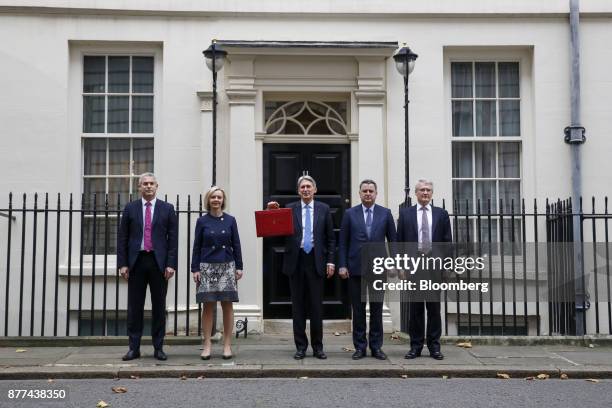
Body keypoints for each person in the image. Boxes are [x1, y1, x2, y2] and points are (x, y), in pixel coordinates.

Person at [267, 175, 335, 359]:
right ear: (298, 191)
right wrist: (272, 213)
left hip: (316, 261)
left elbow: (330, 238)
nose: (305, 189)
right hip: (295, 262)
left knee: (316, 307)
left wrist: (331, 260)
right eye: (302, 187)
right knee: (297, 307)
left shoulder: (324, 209)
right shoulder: (289, 208)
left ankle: (318, 347)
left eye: (308, 186)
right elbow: (273, 233)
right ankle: (301, 347)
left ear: (315, 190)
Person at [117, 172, 178, 361]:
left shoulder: (167, 209)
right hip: (136, 262)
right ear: (139, 187)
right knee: (135, 307)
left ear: (157, 186)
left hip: (158, 263)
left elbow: (173, 240)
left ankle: (158, 348)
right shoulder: (130, 208)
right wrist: (123, 264)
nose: (149, 186)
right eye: (145, 184)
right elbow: (122, 238)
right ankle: (133, 348)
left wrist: (170, 264)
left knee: (159, 307)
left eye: (152, 183)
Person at [338, 179, 396, 360]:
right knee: (358, 309)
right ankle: (360, 347)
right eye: (365, 191)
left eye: (371, 191)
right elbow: (343, 241)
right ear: (359, 193)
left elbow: (393, 242)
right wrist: (342, 264)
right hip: (355, 268)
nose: (368, 193)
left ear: (376, 193)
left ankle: (376, 347)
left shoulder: (385, 214)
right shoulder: (349, 213)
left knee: (377, 309)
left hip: (379, 269)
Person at [397, 179, 452, 360]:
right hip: (414, 266)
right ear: (416, 193)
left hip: (434, 267)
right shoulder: (405, 214)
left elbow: (447, 242)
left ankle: (434, 347)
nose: (425, 193)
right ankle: (415, 346)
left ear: (432, 193)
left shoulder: (441, 214)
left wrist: (446, 267)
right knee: (416, 309)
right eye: (422, 190)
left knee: (434, 309)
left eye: (428, 190)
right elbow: (399, 243)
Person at [191, 186, 243, 360]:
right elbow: (196, 247)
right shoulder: (202, 221)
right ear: (208, 199)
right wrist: (195, 268)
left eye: (219, 197)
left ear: (223, 200)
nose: (216, 200)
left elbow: (236, 244)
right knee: (208, 306)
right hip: (207, 266)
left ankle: (227, 345)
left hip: (227, 265)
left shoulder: (230, 220)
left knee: (227, 306)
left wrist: (239, 266)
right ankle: (207, 344)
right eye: (213, 197)